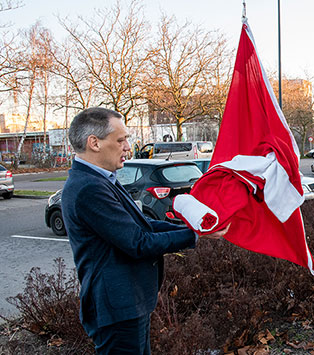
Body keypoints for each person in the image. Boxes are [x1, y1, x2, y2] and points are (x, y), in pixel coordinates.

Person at [62, 107, 227, 354]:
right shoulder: (89, 189)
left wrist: (191, 226)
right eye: (120, 140)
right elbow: (138, 242)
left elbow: (144, 225)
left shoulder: (102, 180)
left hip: (128, 304)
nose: (128, 146)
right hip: (117, 308)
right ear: (94, 143)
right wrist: (195, 235)